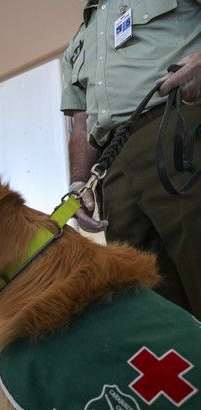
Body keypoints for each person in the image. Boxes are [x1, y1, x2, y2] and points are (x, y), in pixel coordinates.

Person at [61, 1, 201, 320]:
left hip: (178, 131)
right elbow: (81, 122)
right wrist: (78, 183)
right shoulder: (76, 44)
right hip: (112, 169)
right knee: (150, 310)